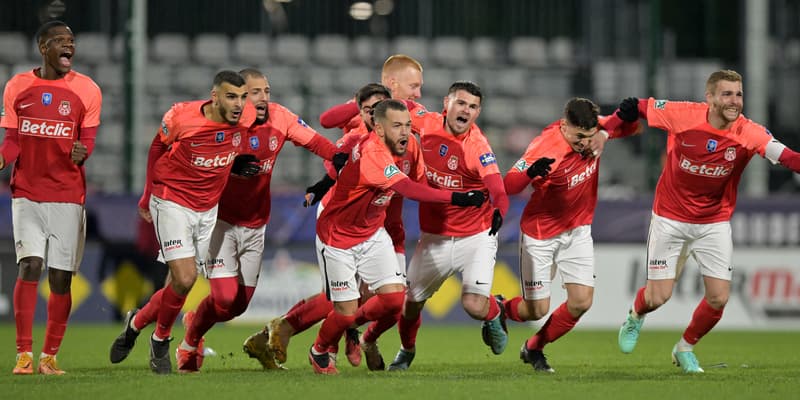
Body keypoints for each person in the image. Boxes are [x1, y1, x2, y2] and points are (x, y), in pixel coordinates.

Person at [615, 69, 800, 373]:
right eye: (727, 94)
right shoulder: (683, 115)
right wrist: (619, 119)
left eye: (739, 94)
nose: (734, 101)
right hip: (670, 219)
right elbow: (639, 106)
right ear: (710, 97)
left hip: (713, 222)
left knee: (719, 298)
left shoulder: (750, 132)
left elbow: (790, 158)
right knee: (657, 297)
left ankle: (685, 347)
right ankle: (636, 316)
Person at [172, 68, 344, 373]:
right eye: (255, 92)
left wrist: (337, 156)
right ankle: (190, 341)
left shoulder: (280, 118)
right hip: (220, 223)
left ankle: (194, 318)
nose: (263, 97)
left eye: (266, 91)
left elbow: (313, 141)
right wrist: (230, 164)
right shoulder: (222, 125)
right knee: (224, 299)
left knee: (239, 305)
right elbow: (190, 161)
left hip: (255, 225)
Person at [245, 75, 420, 369]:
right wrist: (323, 183)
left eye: (418, 88)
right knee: (341, 299)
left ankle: (349, 335)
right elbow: (328, 129)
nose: (418, 91)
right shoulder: (356, 136)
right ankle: (317, 339)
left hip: (387, 228)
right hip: (346, 224)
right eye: (413, 85)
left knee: (386, 301)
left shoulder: (405, 126)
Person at [308, 99, 486, 374]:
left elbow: (421, 183)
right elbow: (410, 190)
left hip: (372, 232)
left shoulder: (410, 146)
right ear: (379, 130)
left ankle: (353, 332)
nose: (404, 132)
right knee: (345, 310)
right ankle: (320, 349)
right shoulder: (373, 153)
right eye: (396, 126)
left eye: (407, 125)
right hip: (338, 237)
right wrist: (458, 198)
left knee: (393, 300)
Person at [108, 70, 255, 374]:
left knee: (178, 284)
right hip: (172, 200)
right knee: (186, 278)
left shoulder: (247, 115)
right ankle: (160, 340)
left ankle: (135, 324)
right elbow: (157, 147)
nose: (239, 104)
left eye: (243, 96)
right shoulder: (181, 116)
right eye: (231, 96)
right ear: (214, 97)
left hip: (208, 209)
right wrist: (147, 194)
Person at [501, 98, 640, 373]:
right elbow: (509, 184)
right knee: (536, 310)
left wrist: (606, 130)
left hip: (577, 230)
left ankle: (534, 348)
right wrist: (529, 173)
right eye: (578, 137)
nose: (584, 144)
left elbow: (632, 128)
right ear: (564, 126)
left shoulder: (594, 132)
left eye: (588, 137)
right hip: (541, 234)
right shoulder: (546, 146)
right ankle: (499, 310)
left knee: (581, 302)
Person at [0, 20, 102, 375]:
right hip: (27, 192)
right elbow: (12, 139)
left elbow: (87, 139)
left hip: (67, 195)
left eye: (71, 40)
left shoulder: (88, 90)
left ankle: (49, 357)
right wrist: (2, 157)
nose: (68, 45)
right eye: (59, 40)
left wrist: (82, 151)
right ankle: (24, 355)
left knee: (60, 277)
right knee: (30, 264)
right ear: (43, 47)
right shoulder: (17, 86)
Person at [386, 81, 510, 371]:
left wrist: (500, 210)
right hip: (435, 238)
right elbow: (389, 106)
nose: (466, 110)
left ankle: (496, 310)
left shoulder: (476, 146)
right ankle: (407, 350)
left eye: (473, 107)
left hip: (476, 236)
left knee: (474, 305)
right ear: (447, 103)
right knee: (410, 304)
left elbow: (499, 190)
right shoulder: (423, 123)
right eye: (462, 103)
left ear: (478, 112)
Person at [319, 54, 423, 131]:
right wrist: (367, 105)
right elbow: (326, 121)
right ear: (393, 84)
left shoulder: (414, 109)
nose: (418, 94)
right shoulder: (363, 106)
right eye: (413, 86)